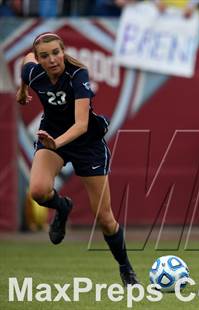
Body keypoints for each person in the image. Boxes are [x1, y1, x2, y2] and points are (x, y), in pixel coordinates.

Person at [16, 32, 138, 286]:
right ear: (38, 60)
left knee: (104, 217)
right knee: (38, 191)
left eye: (56, 53)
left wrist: (56, 143)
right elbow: (25, 62)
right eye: (45, 56)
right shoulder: (33, 72)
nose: (52, 59)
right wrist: (23, 89)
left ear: (63, 52)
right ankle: (62, 207)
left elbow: (81, 125)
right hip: (53, 136)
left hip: (86, 143)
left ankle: (126, 268)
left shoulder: (77, 75)